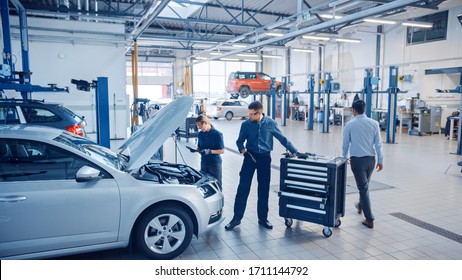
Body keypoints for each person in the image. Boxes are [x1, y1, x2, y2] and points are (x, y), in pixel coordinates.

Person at [225, 101, 298, 231]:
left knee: (263, 190)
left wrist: (295, 152)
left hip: (264, 158)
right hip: (249, 158)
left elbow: (282, 139)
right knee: (243, 187)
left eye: (252, 114)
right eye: (249, 114)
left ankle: (263, 218)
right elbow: (239, 141)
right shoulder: (246, 125)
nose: (250, 116)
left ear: (260, 113)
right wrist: (241, 148)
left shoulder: (270, 124)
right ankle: (236, 218)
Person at [342, 99, 383, 229]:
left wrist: (344, 158)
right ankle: (361, 205)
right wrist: (380, 160)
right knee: (364, 185)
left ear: (354, 110)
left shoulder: (349, 125)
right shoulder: (374, 123)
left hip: (357, 161)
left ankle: (369, 219)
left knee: (363, 187)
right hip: (371, 160)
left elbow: (345, 145)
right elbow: (378, 144)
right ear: (364, 109)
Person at [194, 114, 224, 188]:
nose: (200, 128)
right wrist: (197, 150)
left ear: (205, 123)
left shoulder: (217, 134)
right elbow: (200, 147)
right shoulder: (200, 134)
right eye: (198, 126)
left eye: (200, 126)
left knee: (217, 184)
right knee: (204, 183)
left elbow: (222, 151)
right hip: (204, 162)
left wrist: (210, 151)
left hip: (214, 163)